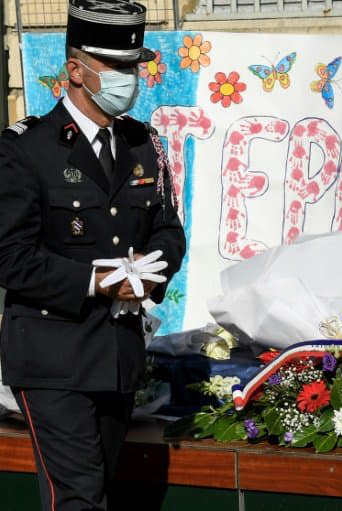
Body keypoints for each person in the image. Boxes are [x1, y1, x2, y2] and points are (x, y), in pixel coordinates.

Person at [0, 0, 186, 508]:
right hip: (53, 357)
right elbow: (10, 256)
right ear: (75, 70)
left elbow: (169, 229)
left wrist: (151, 273)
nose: (131, 77)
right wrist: (97, 282)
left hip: (118, 356)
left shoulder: (143, 144)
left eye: (135, 66)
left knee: (103, 491)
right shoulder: (25, 149)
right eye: (118, 67)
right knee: (78, 500)